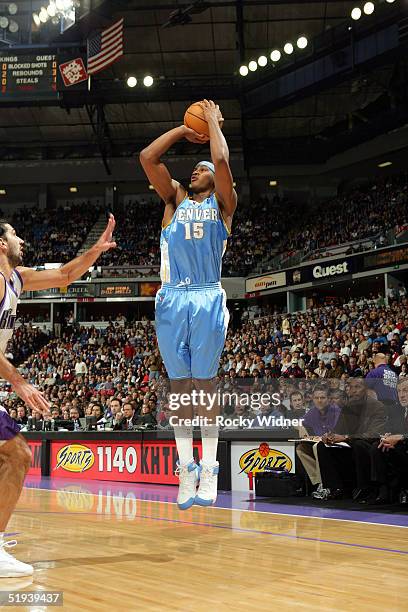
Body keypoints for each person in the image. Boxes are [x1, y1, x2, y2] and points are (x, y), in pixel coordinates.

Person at [0, 215, 116, 577]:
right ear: (1, 244)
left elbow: (65, 276)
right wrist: (18, 382)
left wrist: (94, 252)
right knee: (18, 454)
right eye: (14, 234)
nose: (21, 240)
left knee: (14, 456)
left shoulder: (16, 278)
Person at [140, 99, 236, 509]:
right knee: (181, 388)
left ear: (215, 181)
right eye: (194, 168)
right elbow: (147, 157)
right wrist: (185, 129)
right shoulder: (174, 202)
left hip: (207, 294)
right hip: (172, 298)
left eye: (203, 169)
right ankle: (187, 468)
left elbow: (220, 157)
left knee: (204, 384)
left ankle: (210, 466)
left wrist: (212, 123)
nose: (196, 169)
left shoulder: (224, 205)